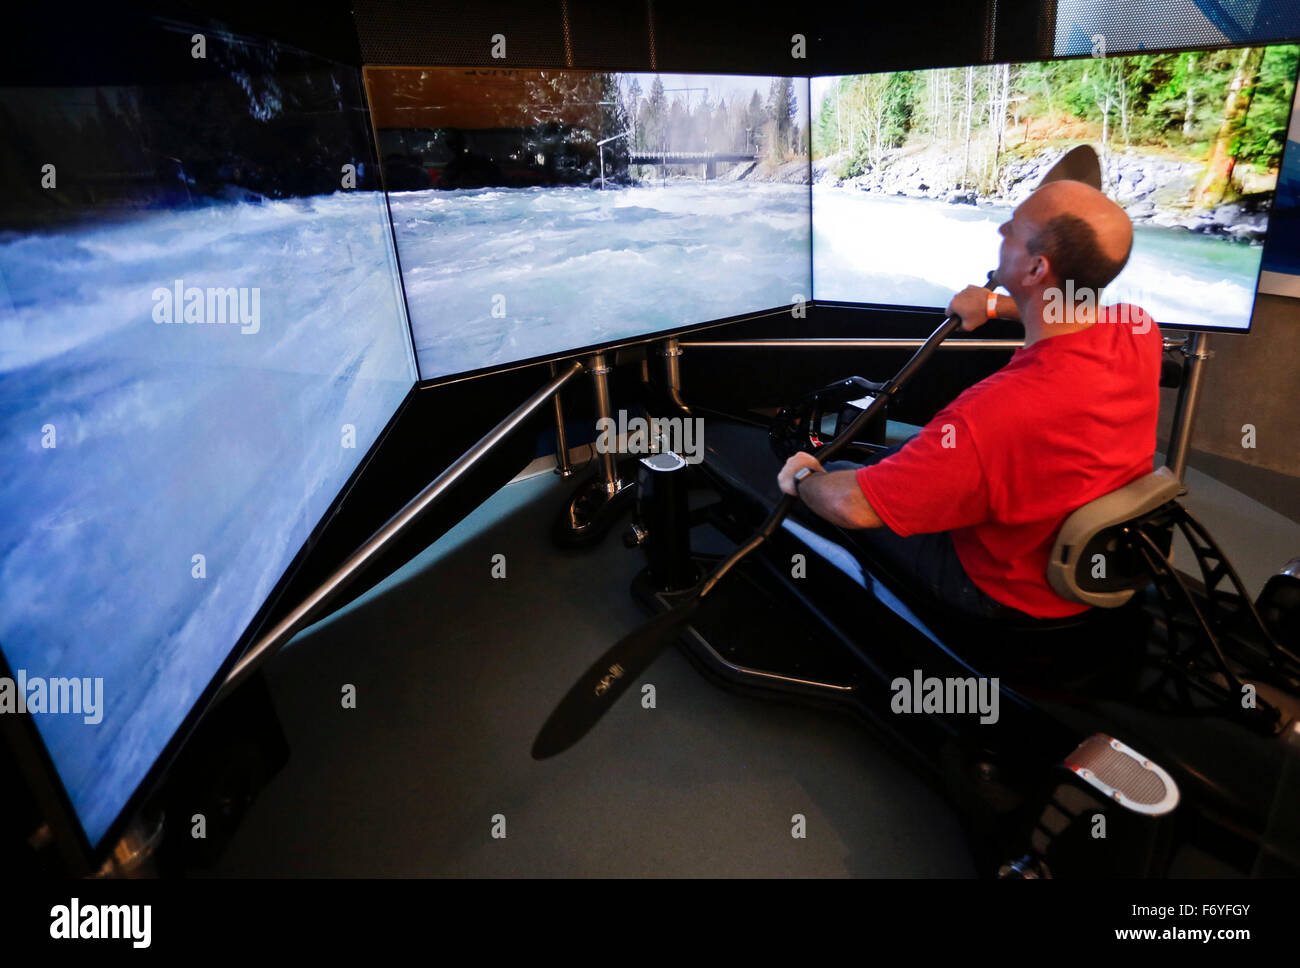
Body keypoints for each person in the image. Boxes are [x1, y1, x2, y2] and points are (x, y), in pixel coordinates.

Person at [777, 179, 1162, 620]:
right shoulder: (1138, 330)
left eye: (1014, 227)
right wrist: (996, 305)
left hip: (1003, 592)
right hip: (1089, 566)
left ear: (1036, 269)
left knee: (838, 477)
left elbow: (854, 507)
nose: (1001, 229)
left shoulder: (993, 413)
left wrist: (806, 476)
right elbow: (1077, 311)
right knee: (903, 456)